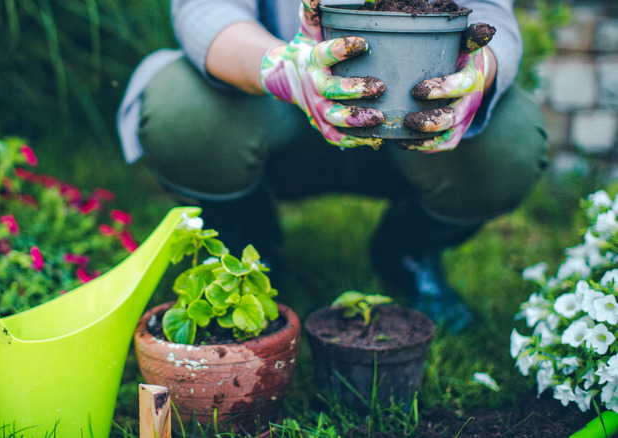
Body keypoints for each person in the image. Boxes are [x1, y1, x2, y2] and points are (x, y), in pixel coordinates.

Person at [117, 0, 548, 331]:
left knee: (509, 143)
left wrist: (478, 70)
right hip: (274, 102)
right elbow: (206, 9)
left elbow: (491, 14)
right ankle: (249, 237)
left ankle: (408, 249)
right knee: (182, 112)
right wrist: (283, 69)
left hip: (412, 109)